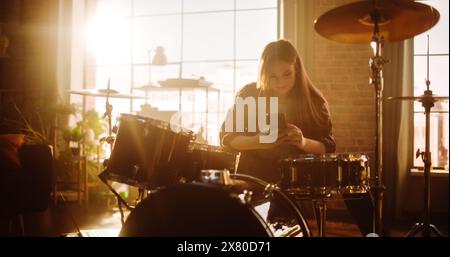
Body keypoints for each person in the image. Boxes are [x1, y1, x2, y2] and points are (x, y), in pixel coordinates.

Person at [219, 39, 372, 236]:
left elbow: (327, 147)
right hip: (254, 176)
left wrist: (302, 141)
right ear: (263, 73)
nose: (280, 82)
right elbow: (227, 138)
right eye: (272, 76)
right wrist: (260, 141)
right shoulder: (249, 94)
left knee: (356, 182)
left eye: (286, 74)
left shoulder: (313, 101)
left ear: (297, 70)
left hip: (295, 180)